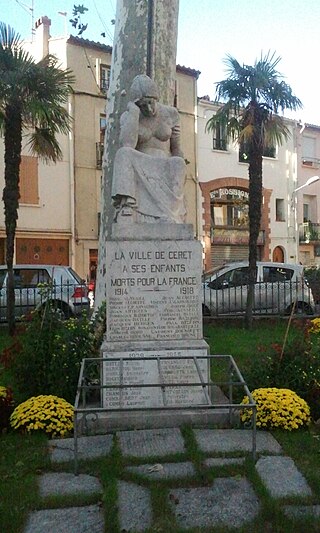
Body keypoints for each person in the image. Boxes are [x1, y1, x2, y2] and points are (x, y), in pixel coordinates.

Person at [111, 74, 186, 223]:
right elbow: (127, 144)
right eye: (143, 105)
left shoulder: (171, 114)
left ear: (156, 98)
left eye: (150, 102)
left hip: (165, 162)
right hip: (141, 162)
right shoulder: (128, 116)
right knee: (123, 153)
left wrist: (181, 168)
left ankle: (173, 213)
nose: (148, 108)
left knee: (178, 162)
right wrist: (133, 113)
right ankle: (128, 206)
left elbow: (176, 148)